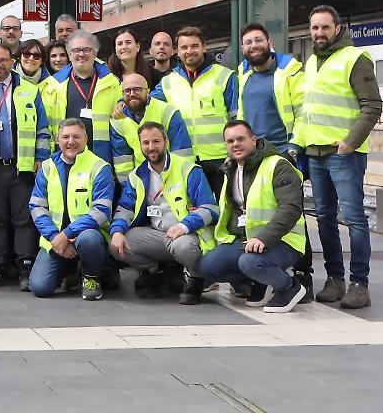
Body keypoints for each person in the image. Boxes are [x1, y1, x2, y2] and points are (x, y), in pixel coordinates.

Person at [294, 5, 382, 309]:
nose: (319, 33)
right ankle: (335, 279)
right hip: (316, 154)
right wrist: (300, 144)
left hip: (344, 154)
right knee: (325, 219)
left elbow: (372, 106)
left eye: (325, 27)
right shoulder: (311, 62)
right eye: (315, 28)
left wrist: (349, 142)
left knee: (355, 219)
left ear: (338, 28)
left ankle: (360, 283)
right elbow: (309, 110)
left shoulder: (355, 59)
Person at [236, 22, 313, 300]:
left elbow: (303, 113)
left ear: (269, 42)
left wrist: (293, 147)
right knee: (255, 213)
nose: (253, 46)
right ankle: (261, 273)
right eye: (247, 42)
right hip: (253, 156)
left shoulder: (289, 72)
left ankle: (304, 277)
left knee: (293, 215)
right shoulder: (243, 74)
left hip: (281, 154)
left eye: (258, 40)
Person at [198, 121, 308, 314]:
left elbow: (290, 208)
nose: (235, 144)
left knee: (250, 262)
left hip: (283, 240)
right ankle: (261, 281)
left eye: (241, 139)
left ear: (254, 140)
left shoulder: (278, 165)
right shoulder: (231, 168)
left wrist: (263, 238)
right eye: (230, 141)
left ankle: (290, 287)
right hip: (246, 239)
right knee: (208, 267)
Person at [0, 42, 50, 291]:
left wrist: (41, 157)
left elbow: (43, 128)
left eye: (3, 60)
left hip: (21, 167)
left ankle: (25, 265)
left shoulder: (29, 90)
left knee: (23, 218)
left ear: (12, 61)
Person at [109, 122, 217, 305]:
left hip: (186, 234)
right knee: (115, 246)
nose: (151, 147)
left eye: (156, 141)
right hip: (155, 234)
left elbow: (211, 208)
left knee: (185, 248)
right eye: (146, 143)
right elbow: (125, 208)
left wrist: (185, 225)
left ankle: (195, 277)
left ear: (166, 141)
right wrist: (117, 231)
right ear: (140, 145)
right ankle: (157, 271)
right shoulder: (137, 175)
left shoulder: (188, 169)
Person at [27, 119, 114, 300]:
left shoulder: (99, 167)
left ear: (86, 139)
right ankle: (72, 271)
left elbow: (101, 210)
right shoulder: (47, 167)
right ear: (58, 139)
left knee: (89, 240)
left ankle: (92, 277)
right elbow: (37, 207)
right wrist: (53, 237)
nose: (70, 141)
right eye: (65, 137)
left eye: (76, 137)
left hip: (87, 235)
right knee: (39, 288)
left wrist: (66, 234)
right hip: (56, 238)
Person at [150, 26, 237, 195]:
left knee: (227, 210)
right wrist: (122, 101)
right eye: (184, 47)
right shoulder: (168, 82)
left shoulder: (225, 76)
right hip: (186, 159)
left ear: (204, 47)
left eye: (194, 46)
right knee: (195, 212)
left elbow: (238, 117)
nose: (189, 51)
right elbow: (147, 102)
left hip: (221, 159)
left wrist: (234, 153)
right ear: (177, 51)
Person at [39, 30, 121, 160]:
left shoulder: (114, 84)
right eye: (76, 50)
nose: (81, 54)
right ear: (70, 55)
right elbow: (45, 127)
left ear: (95, 53)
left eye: (86, 50)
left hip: (101, 158)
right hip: (63, 158)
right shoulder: (51, 87)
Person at [109, 73, 192, 181]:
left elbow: (182, 152)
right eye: (127, 90)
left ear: (148, 92)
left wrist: (181, 181)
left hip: (172, 177)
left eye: (137, 89)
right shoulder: (118, 121)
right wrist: (130, 188)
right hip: (140, 180)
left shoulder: (168, 112)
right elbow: (122, 162)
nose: (132, 94)